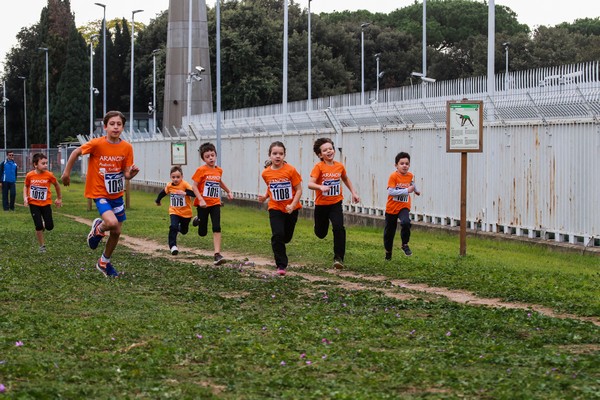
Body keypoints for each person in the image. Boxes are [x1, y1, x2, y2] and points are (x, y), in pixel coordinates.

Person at [61, 111, 139, 277]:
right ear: (105, 127)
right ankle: (98, 228)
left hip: (116, 194)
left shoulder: (127, 147)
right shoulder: (97, 144)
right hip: (99, 192)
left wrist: (132, 174)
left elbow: (126, 174)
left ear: (123, 127)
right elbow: (75, 152)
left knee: (117, 232)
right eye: (112, 124)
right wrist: (66, 173)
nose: (115, 127)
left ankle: (104, 262)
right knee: (110, 223)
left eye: (119, 124)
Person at [307, 138, 360, 269]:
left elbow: (346, 179)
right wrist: (320, 187)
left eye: (330, 148)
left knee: (339, 227)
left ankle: (338, 258)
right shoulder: (319, 167)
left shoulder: (339, 166)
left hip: (336, 203)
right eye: (325, 150)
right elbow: (310, 184)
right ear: (320, 155)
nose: (329, 151)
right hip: (321, 205)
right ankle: (318, 226)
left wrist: (354, 193)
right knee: (321, 234)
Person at [258, 141, 303, 276]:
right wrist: (265, 197)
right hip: (275, 207)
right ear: (270, 155)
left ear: (284, 155)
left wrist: (292, 205)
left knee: (286, 237)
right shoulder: (266, 173)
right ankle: (281, 265)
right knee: (277, 235)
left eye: (281, 154)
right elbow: (271, 186)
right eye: (275, 153)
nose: (278, 156)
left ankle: (282, 246)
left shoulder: (291, 170)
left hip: (291, 209)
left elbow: (299, 190)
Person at [191, 142, 233, 266]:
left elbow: (219, 182)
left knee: (216, 227)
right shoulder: (201, 170)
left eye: (212, 155)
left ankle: (217, 254)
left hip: (215, 203)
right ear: (203, 158)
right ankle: (198, 219)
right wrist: (201, 199)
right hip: (203, 204)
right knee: (202, 232)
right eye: (207, 156)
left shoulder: (219, 170)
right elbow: (194, 186)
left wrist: (228, 191)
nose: (211, 158)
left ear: (216, 155)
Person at [384, 151, 421, 260]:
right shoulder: (393, 176)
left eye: (407, 163)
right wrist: (406, 190)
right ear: (396, 165)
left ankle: (405, 244)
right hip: (391, 208)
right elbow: (391, 191)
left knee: (406, 222)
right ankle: (388, 253)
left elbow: (412, 183)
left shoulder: (410, 175)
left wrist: (416, 190)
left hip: (404, 206)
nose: (404, 166)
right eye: (402, 163)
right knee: (389, 233)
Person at [23, 153, 62, 252]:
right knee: (38, 225)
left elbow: (57, 185)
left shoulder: (49, 175)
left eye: (46, 163)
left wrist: (59, 198)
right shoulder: (30, 175)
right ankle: (42, 246)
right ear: (35, 165)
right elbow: (26, 186)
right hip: (33, 203)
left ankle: (44, 224)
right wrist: (25, 197)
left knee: (49, 226)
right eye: (43, 163)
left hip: (46, 204)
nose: (45, 165)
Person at [155, 166, 195, 255]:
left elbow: (194, 193)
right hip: (174, 211)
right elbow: (163, 193)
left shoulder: (185, 185)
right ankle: (173, 246)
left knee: (184, 231)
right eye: (173, 177)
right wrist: (158, 200)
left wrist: (185, 193)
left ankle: (179, 228)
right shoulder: (169, 185)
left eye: (178, 177)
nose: (176, 179)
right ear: (170, 177)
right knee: (173, 226)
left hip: (186, 213)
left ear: (182, 177)